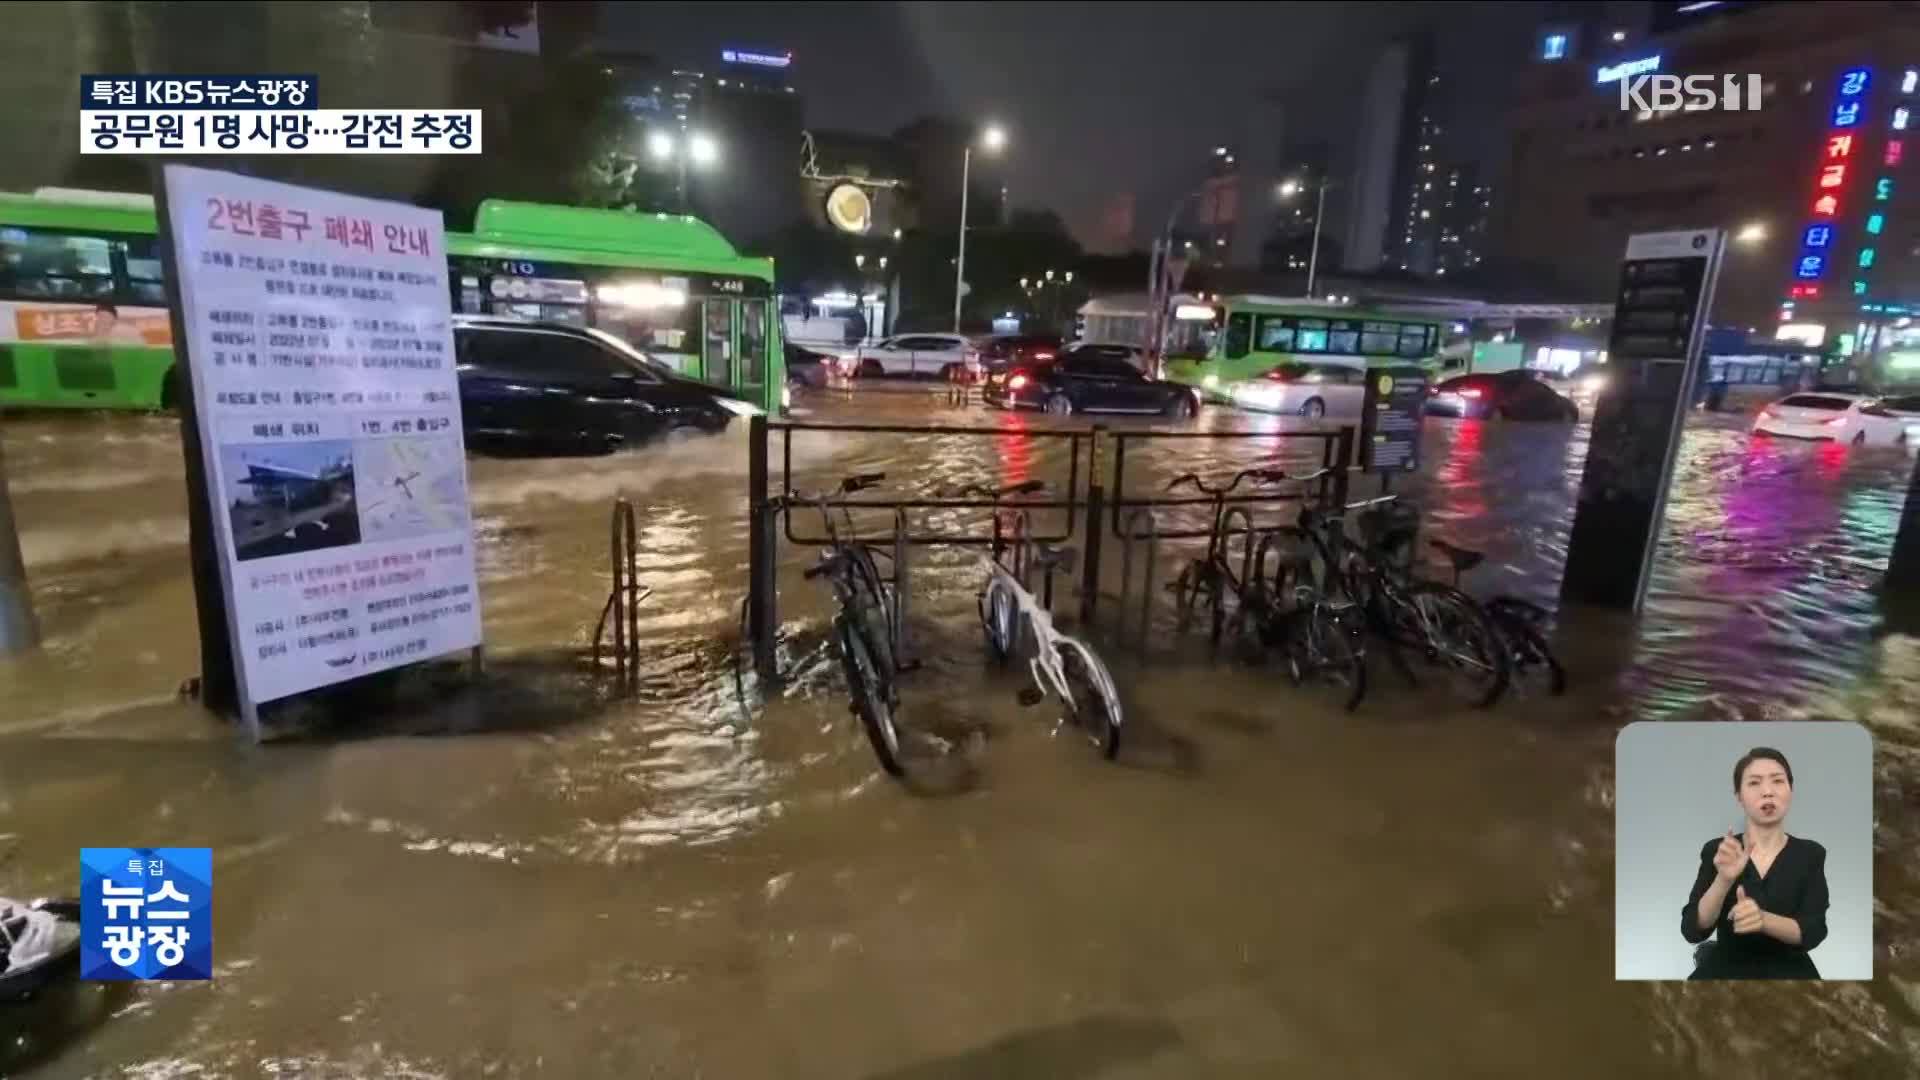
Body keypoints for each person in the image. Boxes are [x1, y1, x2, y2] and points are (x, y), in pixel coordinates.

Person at [1681, 747, 1829, 979]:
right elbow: (1692, 930)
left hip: (1791, 975)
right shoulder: (1717, 850)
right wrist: (1723, 880)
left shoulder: (1811, 854)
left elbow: (1814, 930)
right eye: (1754, 783)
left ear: (1791, 789)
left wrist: (1763, 920)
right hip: (1724, 973)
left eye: (1778, 781)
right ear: (1739, 795)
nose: (1767, 791)